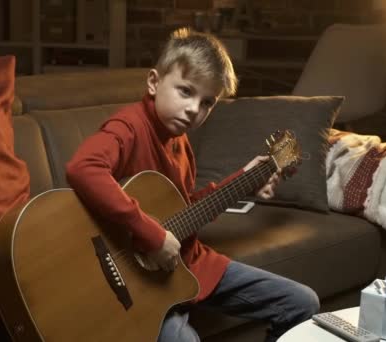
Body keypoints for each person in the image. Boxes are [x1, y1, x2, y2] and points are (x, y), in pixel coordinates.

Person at [65, 27, 319, 342]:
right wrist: (152, 234)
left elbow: (182, 208)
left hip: (188, 262)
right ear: (154, 82)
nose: (194, 109)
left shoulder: (180, 142)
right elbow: (83, 168)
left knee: (301, 302)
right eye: (186, 91)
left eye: (207, 102)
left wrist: (243, 182)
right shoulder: (129, 127)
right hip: (139, 281)